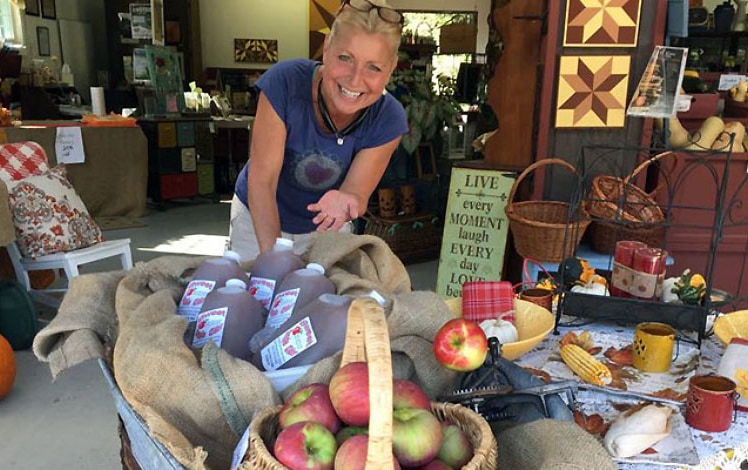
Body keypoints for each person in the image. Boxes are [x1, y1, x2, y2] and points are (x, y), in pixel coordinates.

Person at [229, 0, 408, 261]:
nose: (355, 79)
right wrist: (275, 259)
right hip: (256, 216)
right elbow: (262, 181)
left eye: (374, 67)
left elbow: (356, 191)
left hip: (326, 226)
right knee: (257, 290)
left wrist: (344, 201)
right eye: (345, 58)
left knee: (322, 297)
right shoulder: (285, 83)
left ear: (391, 69)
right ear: (326, 49)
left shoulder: (389, 119)